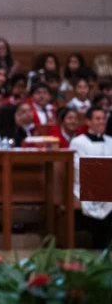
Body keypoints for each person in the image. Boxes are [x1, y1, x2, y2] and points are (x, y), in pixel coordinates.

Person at [69, 107, 112, 249]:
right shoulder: (78, 142)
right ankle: (101, 247)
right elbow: (77, 167)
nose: (102, 122)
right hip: (87, 185)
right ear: (88, 121)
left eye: (103, 118)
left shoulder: (110, 141)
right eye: (98, 118)